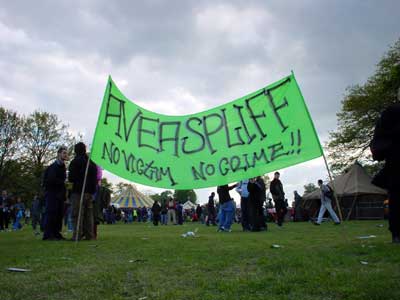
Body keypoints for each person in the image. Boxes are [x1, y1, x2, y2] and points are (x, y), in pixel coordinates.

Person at [370, 91, 400, 243]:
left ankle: (396, 233)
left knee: (396, 196)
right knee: (396, 196)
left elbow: (379, 139)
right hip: (396, 160)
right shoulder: (391, 114)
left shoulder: (389, 114)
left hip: (394, 161)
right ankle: (396, 232)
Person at [68, 142, 98, 241]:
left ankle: (77, 234)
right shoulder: (92, 163)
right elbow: (95, 179)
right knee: (88, 215)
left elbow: (71, 178)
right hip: (89, 192)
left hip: (78, 192)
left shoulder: (75, 162)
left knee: (77, 214)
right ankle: (89, 235)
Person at [42, 146, 68, 240]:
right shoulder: (53, 167)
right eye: (64, 153)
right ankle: (48, 234)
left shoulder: (63, 167)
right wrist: (62, 182)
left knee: (58, 214)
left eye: (66, 153)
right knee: (51, 213)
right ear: (59, 154)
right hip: (52, 194)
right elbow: (50, 180)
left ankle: (56, 233)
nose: (65, 155)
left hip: (60, 194)